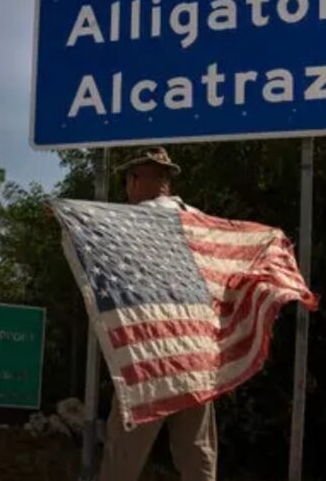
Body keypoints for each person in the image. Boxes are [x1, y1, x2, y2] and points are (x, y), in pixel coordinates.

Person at [96, 146, 217, 481]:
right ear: (167, 180)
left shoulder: (131, 220)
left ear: (136, 179)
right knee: (197, 451)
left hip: (151, 352)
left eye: (128, 180)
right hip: (196, 351)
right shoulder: (198, 220)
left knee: (124, 453)